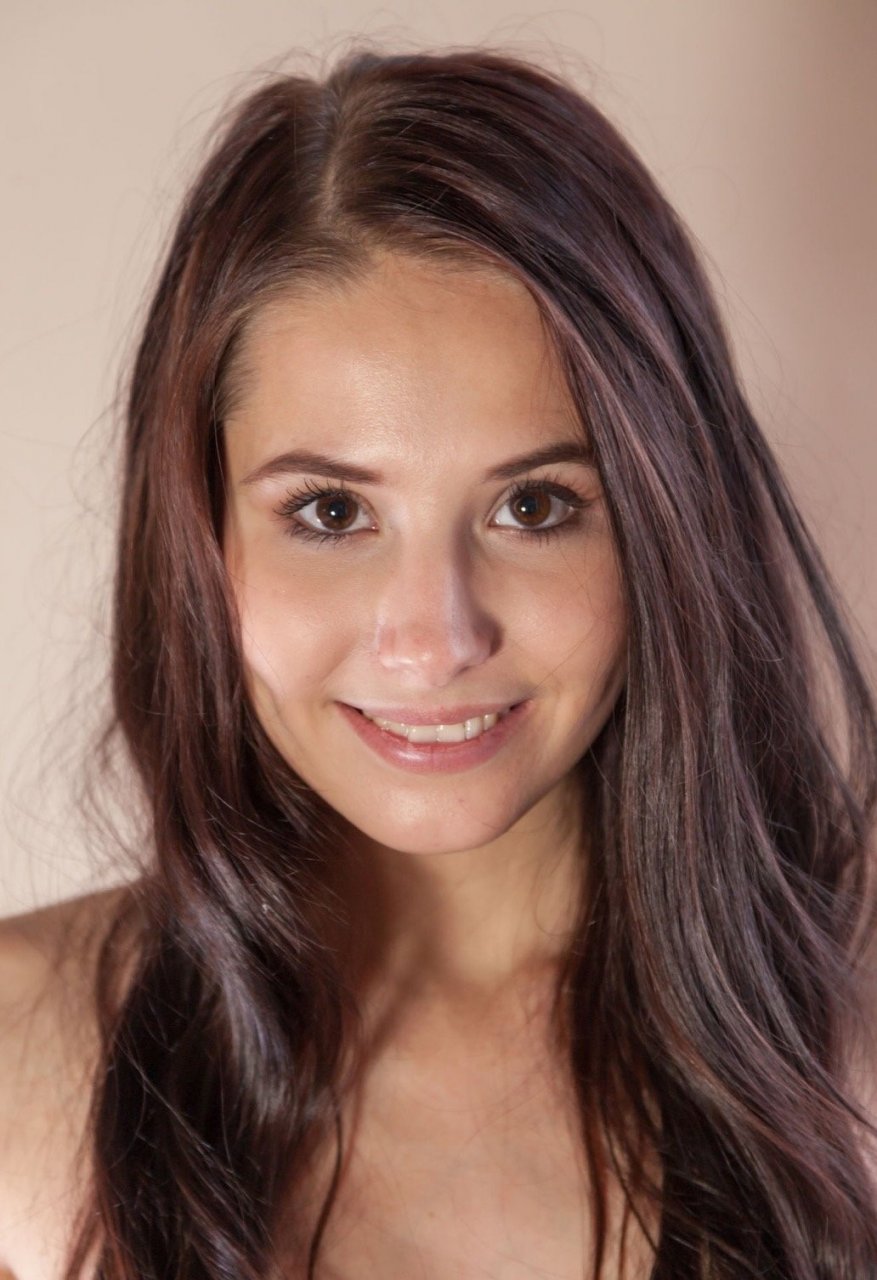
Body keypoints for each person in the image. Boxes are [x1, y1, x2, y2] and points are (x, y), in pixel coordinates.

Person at [1, 43, 876, 1280]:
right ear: (197, 536)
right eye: (329, 512)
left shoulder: (845, 1039)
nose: (433, 639)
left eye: (533, 506)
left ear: (666, 524)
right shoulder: (16, 1060)